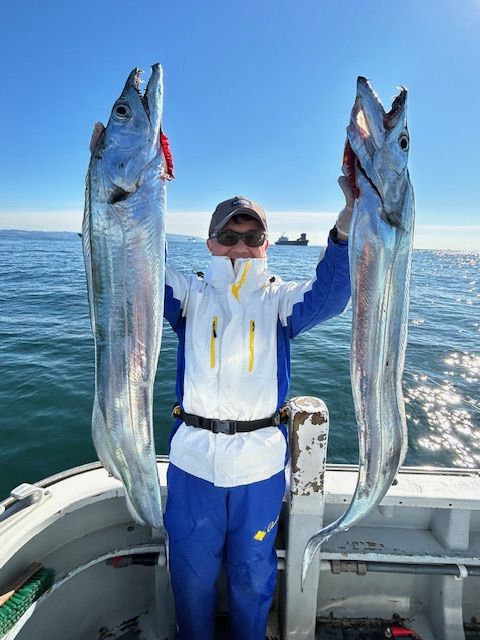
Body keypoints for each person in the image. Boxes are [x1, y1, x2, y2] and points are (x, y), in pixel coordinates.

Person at [163, 186, 353, 640]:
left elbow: (331, 295)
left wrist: (348, 219)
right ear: (210, 243)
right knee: (190, 577)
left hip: (261, 467)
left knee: (252, 575)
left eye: (252, 238)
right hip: (192, 465)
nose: (240, 247)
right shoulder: (187, 294)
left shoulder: (280, 300)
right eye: (229, 237)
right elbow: (140, 268)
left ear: (266, 245)